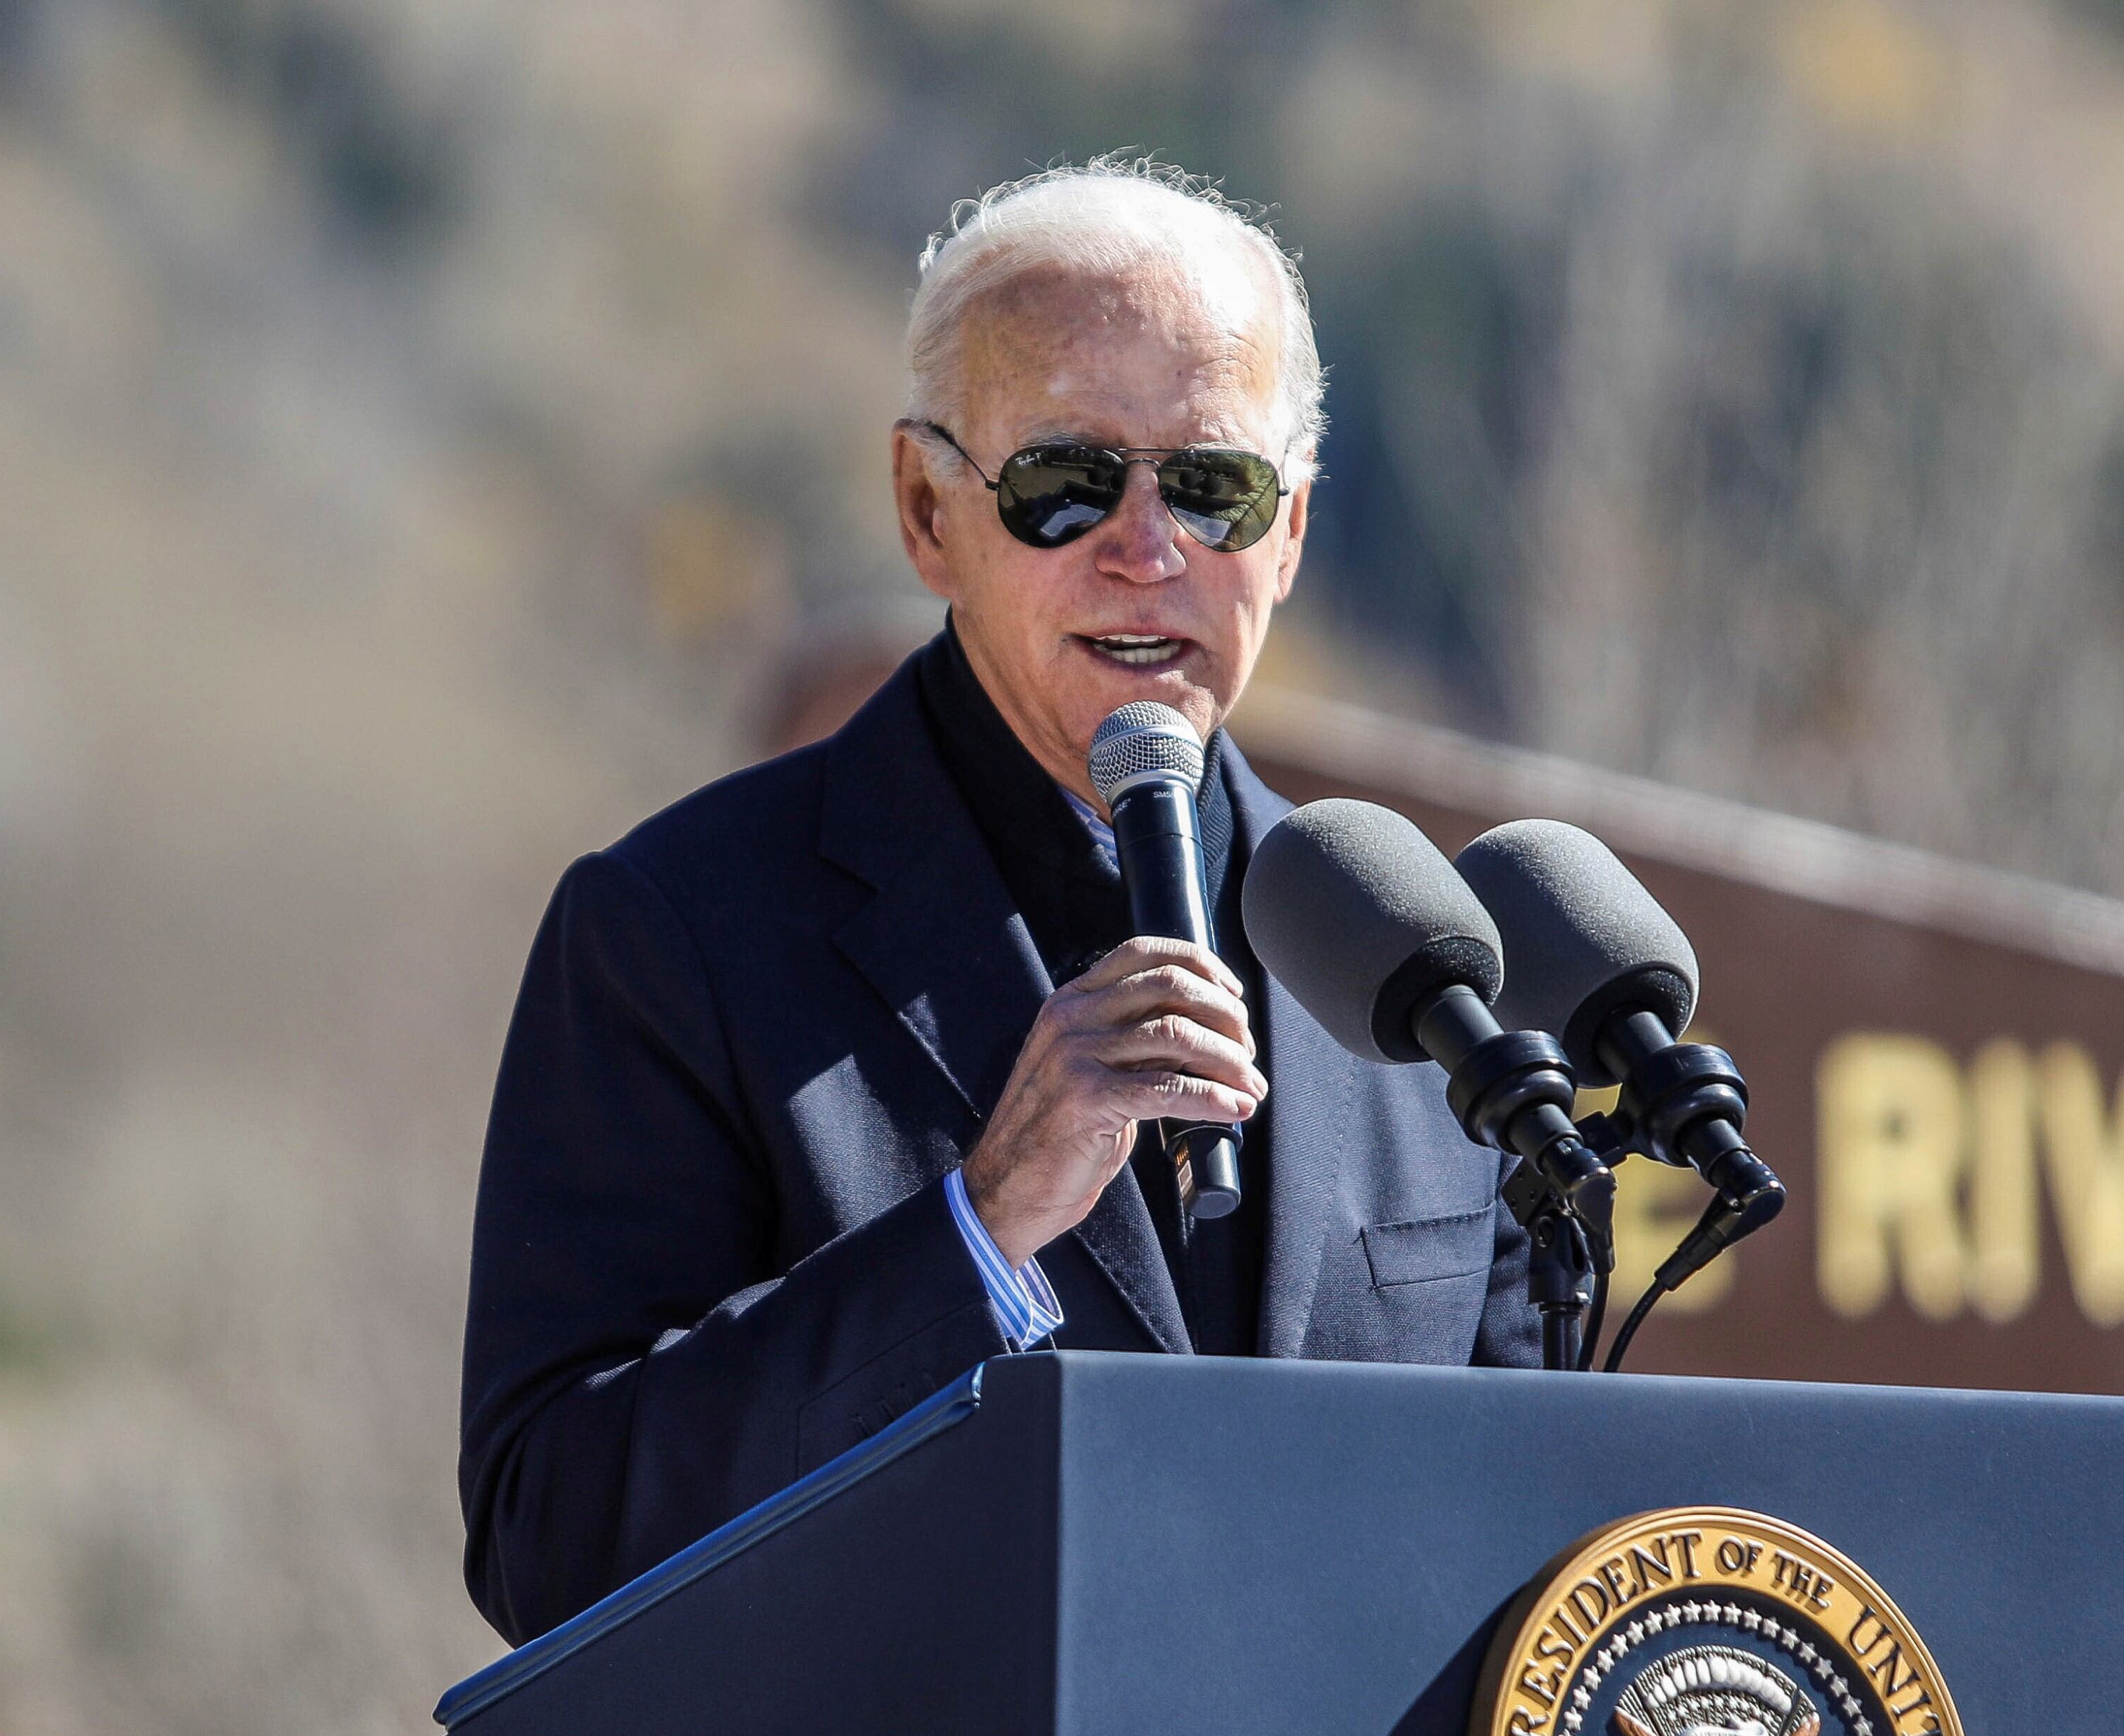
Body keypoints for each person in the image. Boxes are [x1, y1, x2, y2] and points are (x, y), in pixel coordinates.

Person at [461, 159, 1537, 1641]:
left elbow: (1524, 1539)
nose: (1147, 549)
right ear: (926, 510)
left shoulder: (1409, 967)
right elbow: (551, 1536)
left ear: (1287, 536)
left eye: (1213, 489)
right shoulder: (673, 931)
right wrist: (980, 1228)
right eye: (1065, 483)